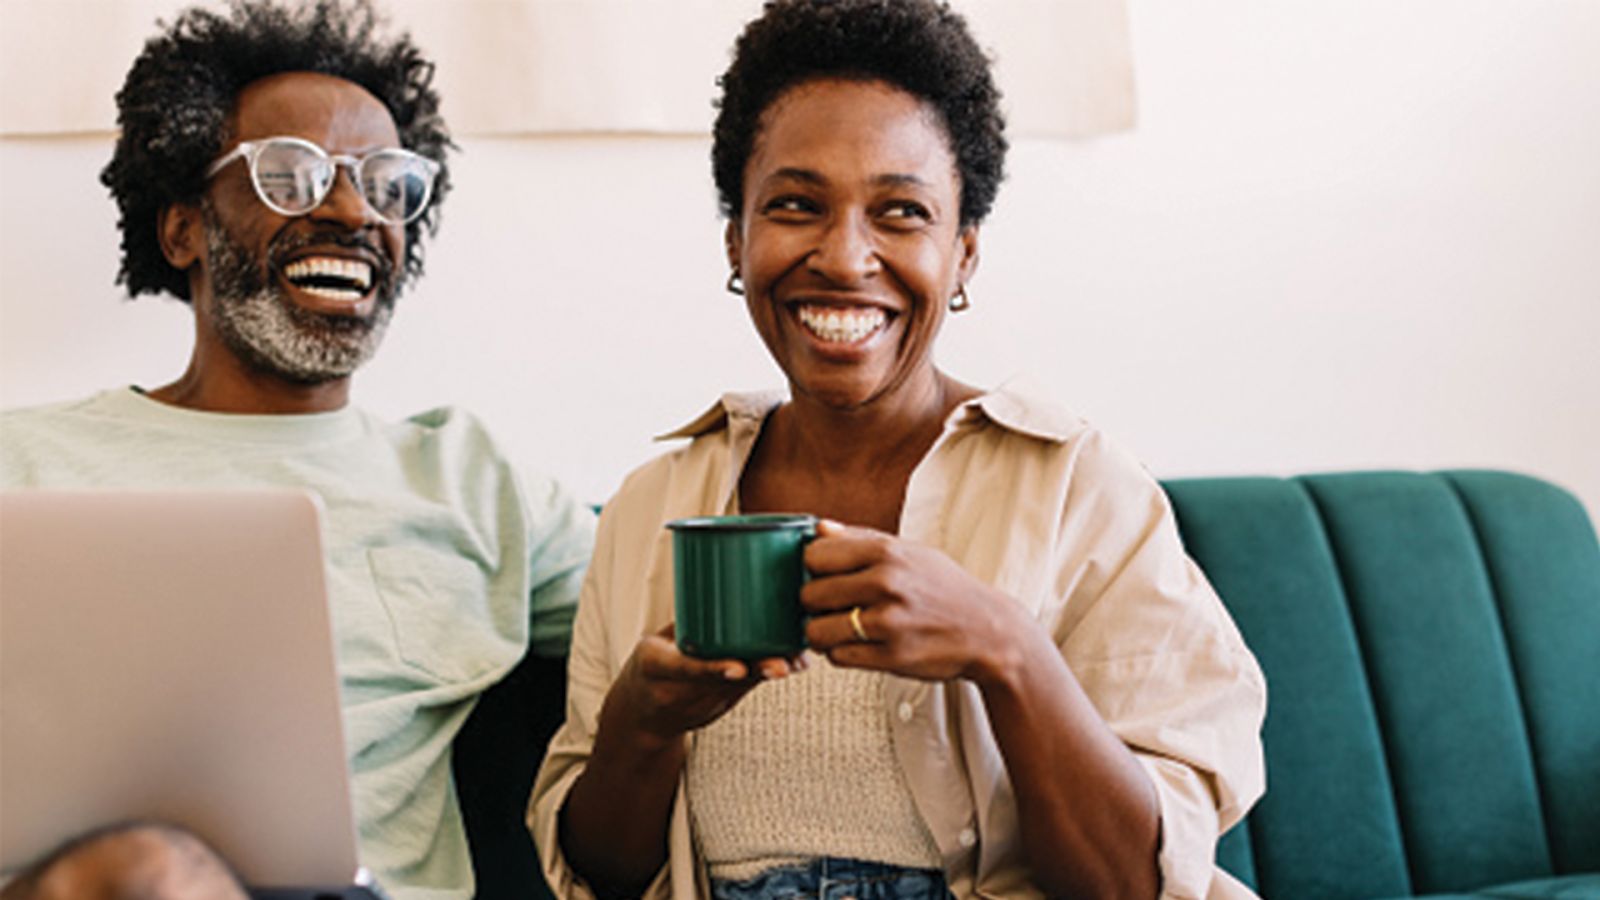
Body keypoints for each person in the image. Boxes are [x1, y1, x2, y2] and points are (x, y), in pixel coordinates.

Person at [528, 1, 1266, 898]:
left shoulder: (1078, 488)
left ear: (963, 257)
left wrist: (1007, 650)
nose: (844, 257)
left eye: (901, 213)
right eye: (797, 205)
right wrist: (641, 725)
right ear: (737, 242)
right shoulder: (653, 506)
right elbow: (603, 876)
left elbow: (1134, 886)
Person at [0, 2, 593, 898]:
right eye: (291, 174)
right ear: (182, 230)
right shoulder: (22, 463)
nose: (352, 209)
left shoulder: (475, 483)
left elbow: (687, 610)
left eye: (387, 183)